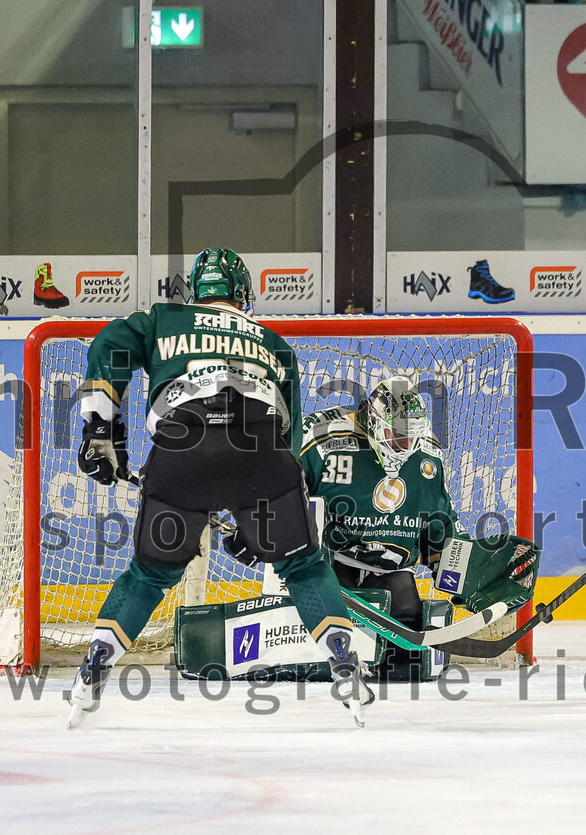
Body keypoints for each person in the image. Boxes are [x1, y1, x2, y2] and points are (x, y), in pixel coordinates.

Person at [67, 247, 373, 727]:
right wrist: (253, 519)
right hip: (262, 454)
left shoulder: (162, 318)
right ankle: (344, 662)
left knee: (148, 576)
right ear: (243, 295)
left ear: (196, 293)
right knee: (303, 568)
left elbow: (109, 344)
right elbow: (285, 450)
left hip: (180, 451)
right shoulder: (274, 343)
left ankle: (95, 666)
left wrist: (99, 432)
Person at [300, 377, 458, 679]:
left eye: (411, 437)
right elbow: (282, 495)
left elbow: (440, 529)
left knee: (405, 660)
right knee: (316, 644)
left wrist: (463, 575)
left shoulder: (427, 456)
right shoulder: (320, 438)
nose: (404, 445)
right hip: (331, 567)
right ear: (373, 421)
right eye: (396, 435)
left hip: (390, 573)